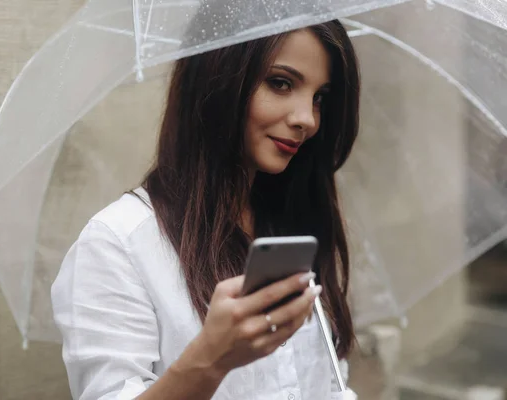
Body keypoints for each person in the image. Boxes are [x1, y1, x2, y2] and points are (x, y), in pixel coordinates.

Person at [51, 17, 360, 400]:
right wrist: (209, 360)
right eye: (280, 83)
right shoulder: (118, 244)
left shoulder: (290, 227)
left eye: (320, 98)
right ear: (219, 78)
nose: (307, 119)